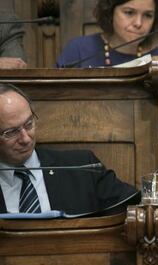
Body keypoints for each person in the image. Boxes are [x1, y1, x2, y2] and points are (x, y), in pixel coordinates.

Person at [0, 83, 139, 215]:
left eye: (29, 124)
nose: (25, 139)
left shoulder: (83, 167)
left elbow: (136, 206)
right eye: (12, 132)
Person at [56, 0, 158, 68]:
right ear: (110, 12)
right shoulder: (79, 50)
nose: (138, 23)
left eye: (148, 15)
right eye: (129, 12)